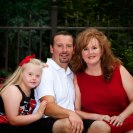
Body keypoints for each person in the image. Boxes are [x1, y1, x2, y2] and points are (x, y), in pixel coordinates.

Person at [70, 27, 133, 133]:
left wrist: (121, 117)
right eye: (85, 49)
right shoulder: (78, 77)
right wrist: (97, 117)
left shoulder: (118, 69)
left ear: (102, 50)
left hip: (124, 120)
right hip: (97, 125)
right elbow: (76, 111)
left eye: (94, 48)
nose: (90, 52)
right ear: (81, 54)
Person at [33, 31, 95, 133]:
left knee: (101, 127)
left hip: (72, 118)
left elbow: (78, 108)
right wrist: (71, 114)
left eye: (69, 46)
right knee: (70, 125)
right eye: (60, 46)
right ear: (51, 49)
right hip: (47, 120)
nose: (64, 50)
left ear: (74, 49)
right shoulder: (45, 71)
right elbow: (47, 107)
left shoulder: (72, 75)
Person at [0, 54, 47, 132]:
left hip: (18, 125)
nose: (34, 78)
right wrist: (38, 115)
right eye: (30, 74)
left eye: (38, 76)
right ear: (21, 74)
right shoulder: (13, 90)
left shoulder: (33, 90)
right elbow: (13, 120)